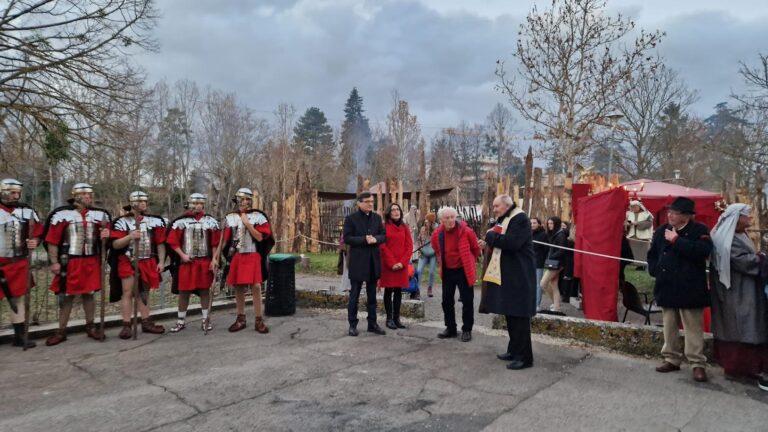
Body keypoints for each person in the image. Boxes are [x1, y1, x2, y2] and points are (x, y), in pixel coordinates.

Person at [648, 196, 713, 383]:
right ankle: (671, 358)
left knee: (693, 327)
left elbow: (703, 251)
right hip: (667, 285)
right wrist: (655, 270)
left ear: (686, 216)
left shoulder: (699, 230)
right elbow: (653, 254)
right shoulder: (662, 231)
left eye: (674, 213)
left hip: (690, 287)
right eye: (669, 212)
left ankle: (697, 363)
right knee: (669, 326)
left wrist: (677, 240)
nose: (670, 215)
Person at [709, 204, 768, 391]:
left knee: (746, 323)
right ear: (737, 218)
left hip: (745, 288)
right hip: (736, 290)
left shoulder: (739, 234)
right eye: (746, 217)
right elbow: (742, 261)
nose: (749, 220)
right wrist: (762, 259)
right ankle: (740, 368)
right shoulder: (727, 239)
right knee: (742, 324)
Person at [44, 183, 111, 346]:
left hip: (91, 259)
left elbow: (106, 240)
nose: (90, 198)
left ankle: (91, 326)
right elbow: (52, 241)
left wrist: (106, 235)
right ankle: (61, 331)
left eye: (91, 195)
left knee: (89, 294)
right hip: (70, 261)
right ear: (77, 197)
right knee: (67, 296)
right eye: (86, 195)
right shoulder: (62, 215)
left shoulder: (100, 215)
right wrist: (54, 262)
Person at [481, 195, 537, 370]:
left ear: (506, 205)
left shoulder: (520, 219)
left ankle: (525, 357)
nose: (494, 209)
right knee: (511, 314)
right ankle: (514, 350)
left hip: (520, 275)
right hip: (510, 275)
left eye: (496, 206)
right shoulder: (506, 218)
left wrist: (490, 236)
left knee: (519, 317)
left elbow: (512, 243)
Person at [108, 191, 166, 339]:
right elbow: (115, 244)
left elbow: (160, 243)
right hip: (128, 260)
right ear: (133, 203)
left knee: (144, 293)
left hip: (147, 260)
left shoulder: (155, 221)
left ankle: (146, 322)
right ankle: (127, 325)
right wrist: (130, 236)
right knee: (127, 292)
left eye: (145, 201)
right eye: (140, 201)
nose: (144, 204)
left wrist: (161, 261)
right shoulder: (122, 222)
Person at [218, 188, 274, 334]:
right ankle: (241, 318)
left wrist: (247, 223)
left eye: (248, 199)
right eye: (242, 199)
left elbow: (261, 237)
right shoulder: (230, 217)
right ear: (236, 200)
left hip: (253, 254)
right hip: (237, 255)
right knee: (238, 287)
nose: (245, 202)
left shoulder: (258, 216)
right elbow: (224, 241)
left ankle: (258, 320)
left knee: (256, 286)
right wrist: (215, 256)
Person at [166, 193, 221, 333]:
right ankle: (180, 321)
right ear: (189, 204)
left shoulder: (211, 221)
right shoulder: (181, 221)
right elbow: (173, 242)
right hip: (187, 263)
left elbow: (215, 243)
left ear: (203, 204)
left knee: (204, 291)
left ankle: (205, 320)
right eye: (194, 203)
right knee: (184, 292)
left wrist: (214, 259)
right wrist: (182, 255)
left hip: (204, 261)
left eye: (200, 203)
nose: (197, 206)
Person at [0, 178, 43, 349]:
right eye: (12, 192)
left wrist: (35, 241)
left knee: (17, 300)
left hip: (18, 262)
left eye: (18, 193)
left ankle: (19, 336)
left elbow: (38, 232)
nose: (16, 196)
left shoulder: (27, 211)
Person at [431, 207, 481, 342]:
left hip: (463, 270)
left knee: (467, 300)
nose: (450, 220)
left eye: (452, 217)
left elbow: (475, 248)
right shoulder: (437, 233)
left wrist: (470, 262)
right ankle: (451, 328)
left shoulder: (466, 231)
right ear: (441, 220)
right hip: (448, 270)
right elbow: (436, 248)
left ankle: (467, 330)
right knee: (446, 301)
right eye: (447, 218)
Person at [343, 192, 387, 337]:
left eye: (372, 201)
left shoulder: (377, 218)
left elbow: (383, 235)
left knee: (372, 296)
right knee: (354, 295)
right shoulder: (351, 219)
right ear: (359, 203)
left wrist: (376, 239)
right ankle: (352, 325)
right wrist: (364, 239)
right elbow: (347, 238)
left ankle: (372, 323)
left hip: (373, 262)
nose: (370, 204)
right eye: (367, 201)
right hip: (358, 262)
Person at [379, 203, 413, 330]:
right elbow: (382, 246)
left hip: (401, 265)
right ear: (389, 212)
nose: (395, 211)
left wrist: (402, 262)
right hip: (389, 265)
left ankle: (397, 318)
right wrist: (392, 263)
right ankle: (389, 319)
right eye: (393, 210)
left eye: (397, 209)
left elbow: (409, 246)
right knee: (389, 291)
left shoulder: (405, 227)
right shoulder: (384, 226)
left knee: (398, 291)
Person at [540, 216, 566, 314]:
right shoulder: (555, 233)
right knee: (554, 285)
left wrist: (550, 257)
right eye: (549, 223)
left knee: (543, 283)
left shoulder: (561, 234)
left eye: (552, 224)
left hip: (557, 263)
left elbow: (561, 251)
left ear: (556, 224)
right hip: (554, 262)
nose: (550, 225)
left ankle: (556, 304)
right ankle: (557, 306)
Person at [416, 212, 438, 298]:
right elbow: (418, 239)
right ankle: (417, 290)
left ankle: (430, 288)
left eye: (428, 221)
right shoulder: (422, 229)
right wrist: (419, 249)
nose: (426, 222)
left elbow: (439, 241)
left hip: (433, 254)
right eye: (426, 221)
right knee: (419, 271)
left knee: (432, 272)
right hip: (423, 253)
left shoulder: (437, 229)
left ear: (432, 221)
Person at [626, 200, 653, 268]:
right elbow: (627, 221)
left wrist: (638, 223)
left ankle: (644, 265)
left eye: (635, 207)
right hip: (633, 236)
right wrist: (627, 224)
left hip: (643, 236)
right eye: (632, 207)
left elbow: (649, 223)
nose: (633, 208)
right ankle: (637, 264)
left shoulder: (646, 213)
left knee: (643, 252)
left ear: (639, 206)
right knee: (635, 251)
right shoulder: (629, 214)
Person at [531, 217, 548, 309]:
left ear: (539, 224)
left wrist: (541, 258)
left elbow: (546, 249)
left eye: (534, 223)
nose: (532, 225)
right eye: (531, 223)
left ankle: (537, 304)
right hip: (529, 262)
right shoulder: (529, 233)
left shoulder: (543, 235)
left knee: (538, 285)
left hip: (538, 262)